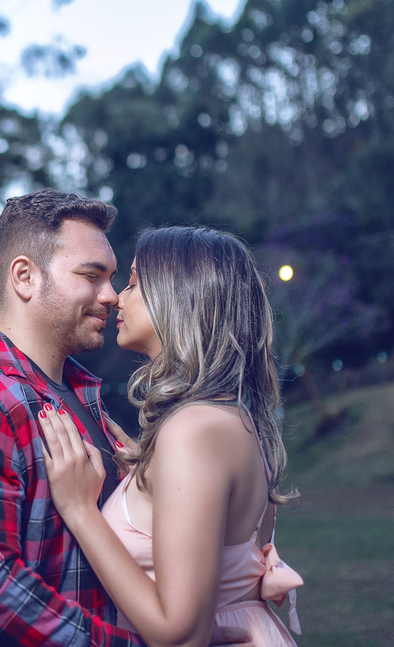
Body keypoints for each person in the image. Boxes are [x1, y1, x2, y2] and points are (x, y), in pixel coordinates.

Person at [0, 191, 252, 647]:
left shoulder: (83, 398)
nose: (111, 296)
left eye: (113, 279)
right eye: (91, 276)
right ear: (24, 277)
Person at [37, 226, 303, 647]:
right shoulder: (225, 418)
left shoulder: (194, 429)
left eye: (134, 283)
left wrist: (80, 510)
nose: (117, 298)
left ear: (179, 296)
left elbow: (181, 635)